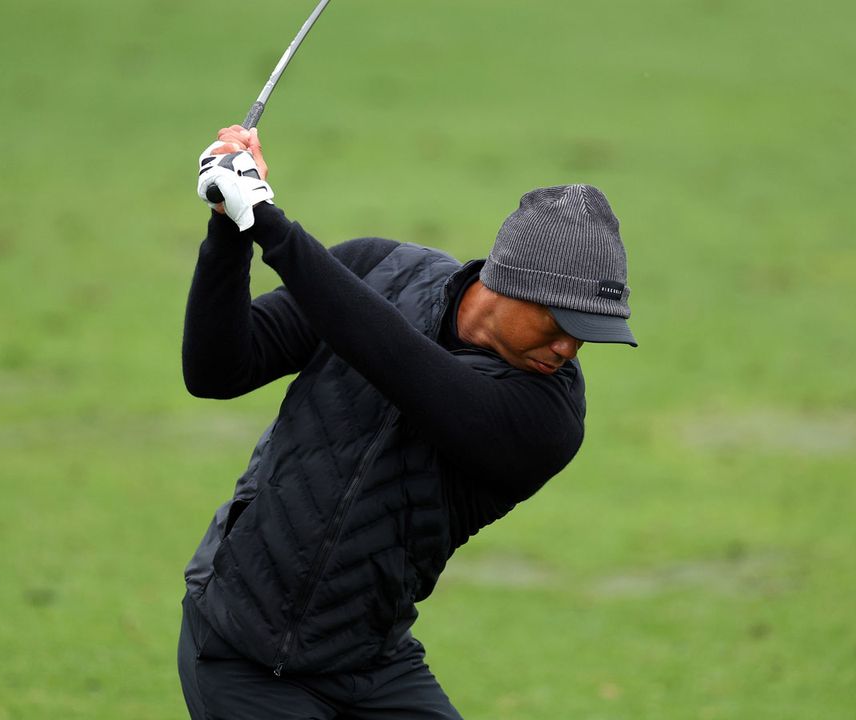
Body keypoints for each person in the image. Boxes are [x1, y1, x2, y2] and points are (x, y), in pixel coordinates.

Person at [177, 125, 636, 719]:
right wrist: (229, 221)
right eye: (565, 324)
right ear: (512, 286)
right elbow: (215, 369)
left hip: (372, 663)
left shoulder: (548, 416)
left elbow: (400, 364)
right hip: (242, 646)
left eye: (590, 334)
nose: (571, 348)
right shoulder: (380, 269)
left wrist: (269, 221)